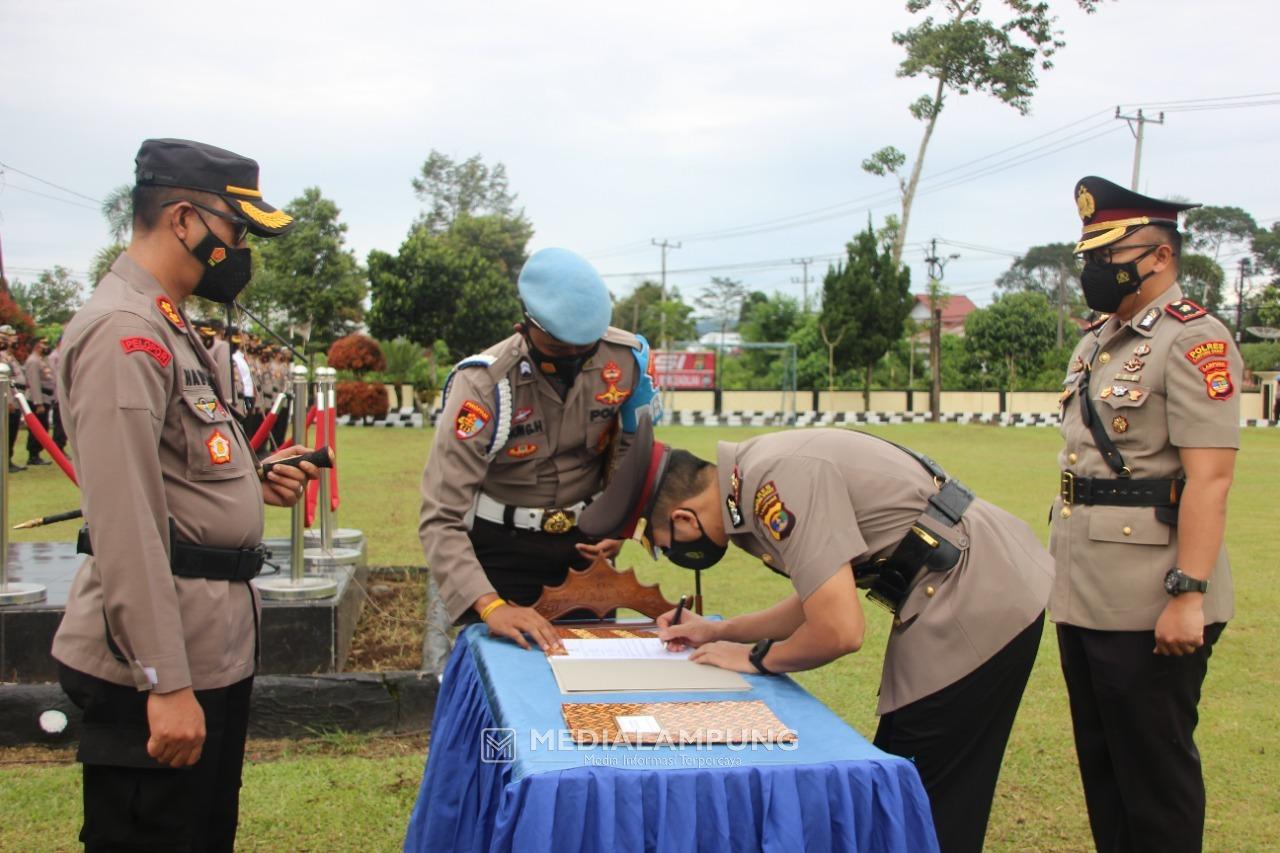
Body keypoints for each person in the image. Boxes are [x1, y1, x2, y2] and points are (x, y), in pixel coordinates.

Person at [579, 415, 1053, 852]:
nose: (663, 550)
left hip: (977, 593)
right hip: (961, 581)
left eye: (655, 542)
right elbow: (820, 597)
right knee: (906, 782)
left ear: (683, 518)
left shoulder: (775, 482)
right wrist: (719, 631)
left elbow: (840, 630)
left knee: (924, 792)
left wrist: (758, 659)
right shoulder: (752, 476)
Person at [51, 138, 320, 853]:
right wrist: (164, 681)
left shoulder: (166, 323)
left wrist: (249, 481)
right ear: (182, 220)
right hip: (159, 663)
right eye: (236, 233)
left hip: (207, 647)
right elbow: (126, 521)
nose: (240, 252)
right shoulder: (125, 333)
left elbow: (174, 469)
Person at [1051, 176, 1241, 853]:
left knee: (1154, 776)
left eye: (1107, 253)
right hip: (1085, 591)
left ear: (1158, 256)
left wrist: (1188, 595)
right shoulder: (1098, 341)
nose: (1093, 268)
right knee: (1106, 770)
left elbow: (1210, 479)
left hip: (1153, 598)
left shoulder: (1194, 340)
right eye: (1090, 253)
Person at [419, 247, 660, 651]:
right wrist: (491, 606)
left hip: (587, 553)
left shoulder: (626, 361)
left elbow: (636, 450)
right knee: (507, 690)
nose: (574, 359)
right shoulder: (484, 385)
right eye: (560, 349)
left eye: (585, 350)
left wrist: (620, 524)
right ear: (527, 326)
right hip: (503, 554)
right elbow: (441, 515)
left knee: (591, 688)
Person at [0, 324, 29, 472]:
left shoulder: (9, 356)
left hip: (16, 396)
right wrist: (9, 402)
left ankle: (8, 460)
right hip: (7, 400)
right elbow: (4, 381)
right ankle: (4, 462)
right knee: (6, 433)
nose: (10, 340)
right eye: (6, 338)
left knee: (12, 432)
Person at [23, 336, 55, 465]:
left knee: (43, 427)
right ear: (37, 345)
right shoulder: (33, 361)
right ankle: (33, 455)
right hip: (37, 400)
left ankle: (36, 454)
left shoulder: (41, 360)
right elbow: (34, 382)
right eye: (43, 344)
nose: (46, 346)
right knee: (37, 428)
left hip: (45, 398)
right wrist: (38, 403)